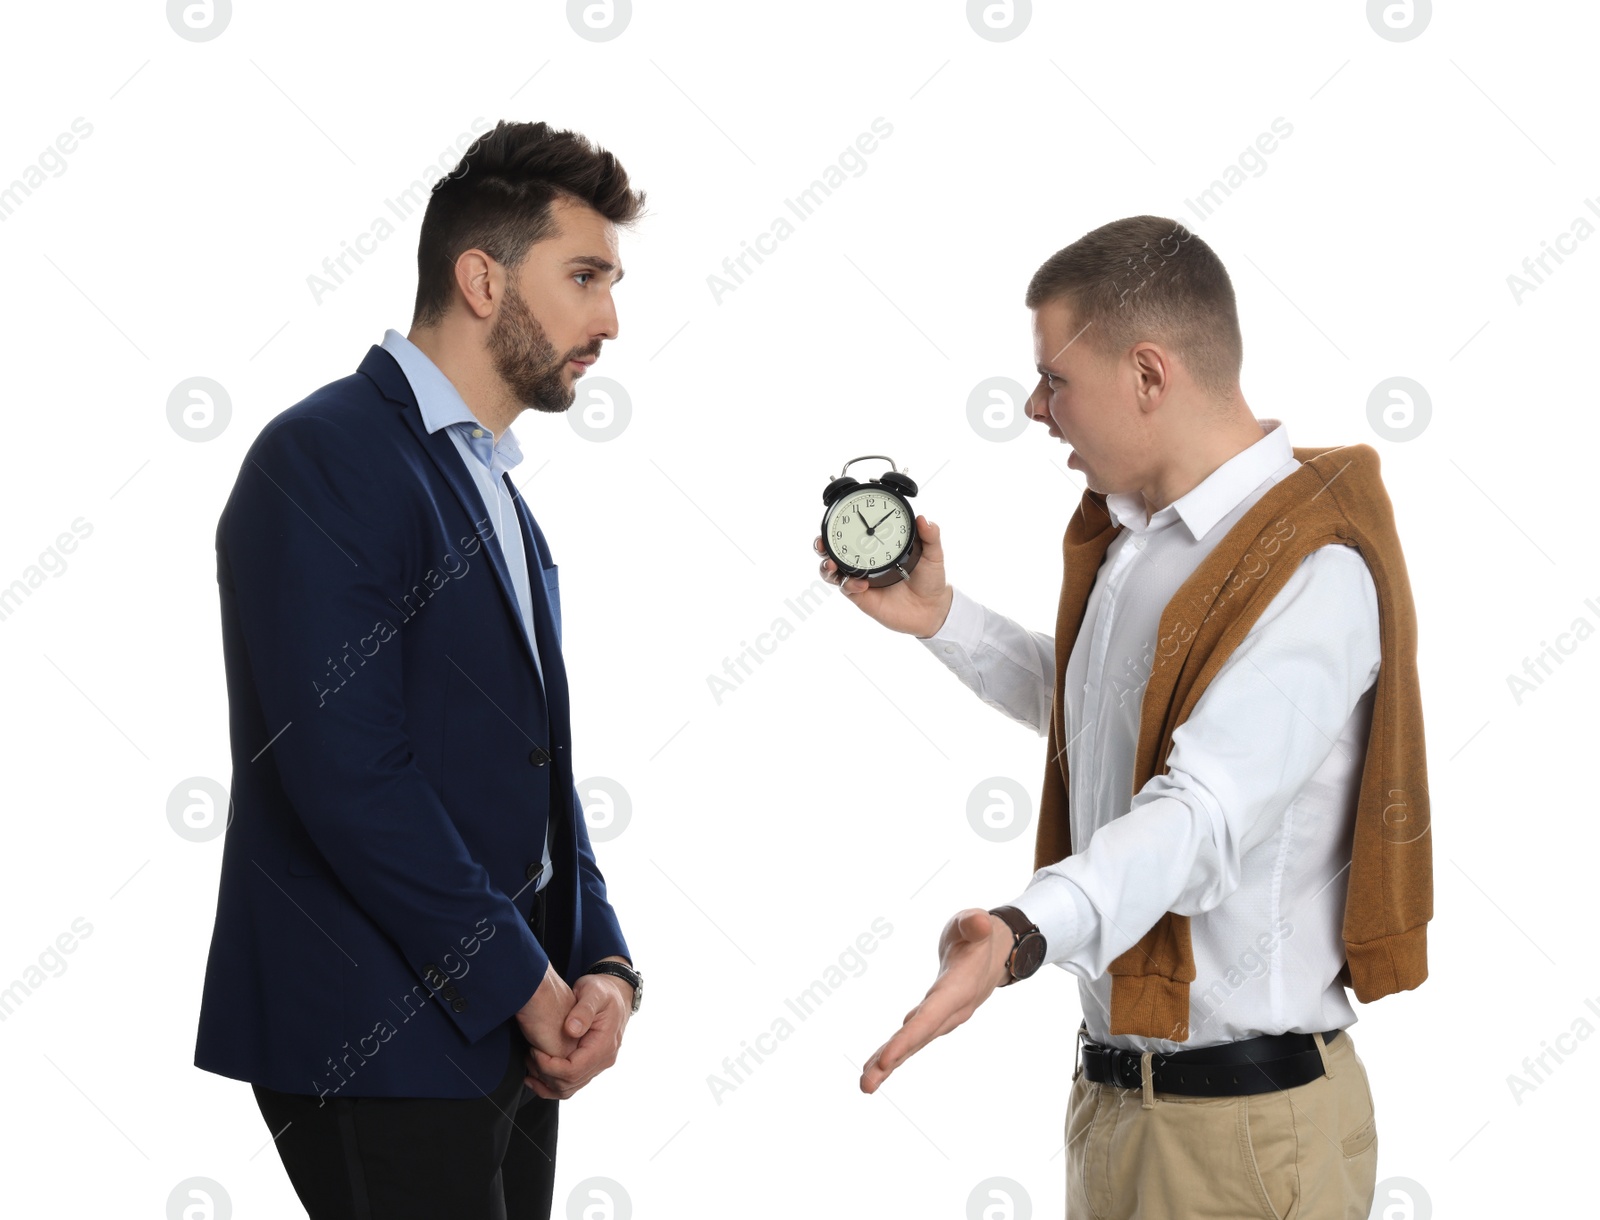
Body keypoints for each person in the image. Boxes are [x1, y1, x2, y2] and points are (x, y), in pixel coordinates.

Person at [817, 216, 1431, 1219]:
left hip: (1243, 1132)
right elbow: (1100, 708)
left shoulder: (1314, 568)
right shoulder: (1141, 542)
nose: (1033, 406)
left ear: (1148, 373)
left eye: (1055, 378)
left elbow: (1199, 809)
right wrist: (943, 619)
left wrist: (1021, 930)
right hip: (1115, 1106)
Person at [193, 120, 647, 1220]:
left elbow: (537, 764)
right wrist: (527, 982)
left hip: (505, 1022)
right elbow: (350, 775)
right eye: (583, 276)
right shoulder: (327, 455)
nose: (610, 320)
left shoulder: (497, 488)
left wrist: (601, 963)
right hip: (374, 1028)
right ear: (481, 277)